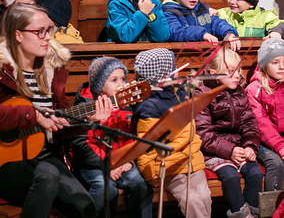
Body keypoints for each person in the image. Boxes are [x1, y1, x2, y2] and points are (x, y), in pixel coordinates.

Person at [0, 4, 95, 218]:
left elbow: (60, 124)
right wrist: (33, 115)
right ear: (18, 34)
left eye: (50, 29)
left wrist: (87, 119)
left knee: (85, 206)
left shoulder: (53, 70)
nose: (47, 37)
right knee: (48, 175)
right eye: (39, 31)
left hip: (44, 158)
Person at [133, 48, 212, 218]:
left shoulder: (176, 92)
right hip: (169, 166)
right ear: (163, 75)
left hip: (192, 160)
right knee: (192, 202)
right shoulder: (149, 106)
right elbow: (146, 144)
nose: (177, 73)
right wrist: (150, 173)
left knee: (204, 198)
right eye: (172, 69)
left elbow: (187, 91)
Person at [71, 56, 152, 218]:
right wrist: (108, 164)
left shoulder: (126, 104)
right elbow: (83, 144)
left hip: (121, 161)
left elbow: (130, 137)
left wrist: (128, 160)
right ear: (100, 85)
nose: (121, 84)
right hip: (93, 164)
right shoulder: (85, 107)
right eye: (114, 80)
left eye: (123, 79)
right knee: (105, 189)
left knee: (140, 186)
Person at [195, 47, 263, 218]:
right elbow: (203, 133)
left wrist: (250, 146)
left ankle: (252, 213)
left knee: (255, 173)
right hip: (213, 151)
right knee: (231, 176)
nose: (237, 76)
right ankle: (240, 214)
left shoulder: (239, 91)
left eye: (239, 71)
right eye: (230, 72)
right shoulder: (202, 95)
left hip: (238, 147)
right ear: (213, 74)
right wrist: (229, 151)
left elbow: (249, 123)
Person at [162, 0, 240, 51]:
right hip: (182, 54)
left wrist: (228, 33)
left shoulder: (200, 9)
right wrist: (202, 34)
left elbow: (214, 23)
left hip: (205, 53)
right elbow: (176, 32)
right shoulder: (169, 11)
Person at [246, 38, 284, 191]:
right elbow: (262, 124)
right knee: (276, 163)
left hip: (280, 139)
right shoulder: (255, 89)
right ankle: (272, 209)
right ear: (264, 65)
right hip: (262, 141)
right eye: (275, 62)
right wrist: (281, 147)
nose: (282, 67)